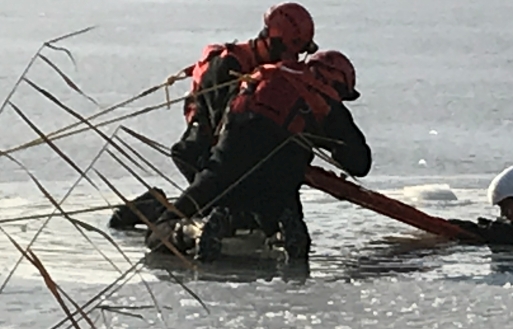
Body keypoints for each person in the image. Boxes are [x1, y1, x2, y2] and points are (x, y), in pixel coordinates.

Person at [146, 50, 371, 262]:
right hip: (277, 187)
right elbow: (360, 163)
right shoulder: (327, 104)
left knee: (158, 232)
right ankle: (278, 232)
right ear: (337, 83)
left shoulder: (265, 75)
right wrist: (325, 139)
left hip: (225, 167)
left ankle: (194, 230)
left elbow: (223, 121)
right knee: (275, 201)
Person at [109, 2, 318, 230]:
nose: (293, 59)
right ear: (273, 40)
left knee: (237, 208)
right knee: (218, 206)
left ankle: (166, 208)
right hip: (199, 150)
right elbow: (226, 128)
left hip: (223, 152)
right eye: (291, 52)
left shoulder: (272, 72)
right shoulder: (227, 66)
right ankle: (152, 209)